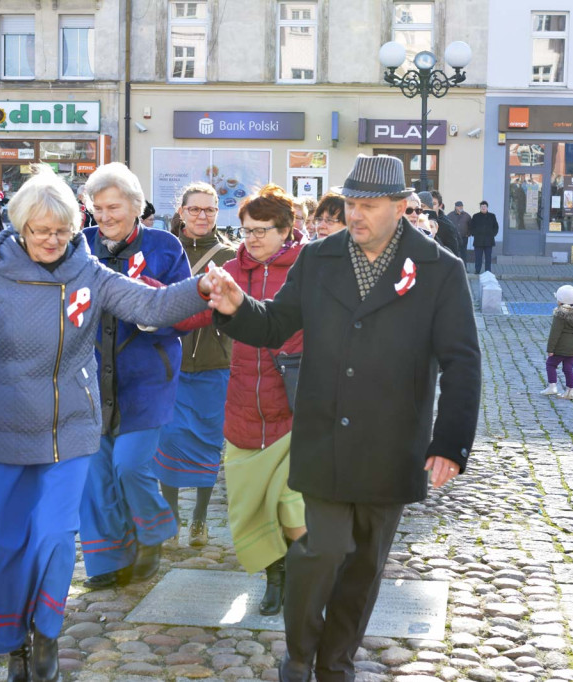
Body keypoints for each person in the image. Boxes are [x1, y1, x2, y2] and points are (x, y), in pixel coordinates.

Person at [0, 163, 211, 682]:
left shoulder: (90, 272)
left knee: (56, 536)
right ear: (20, 227)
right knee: (0, 541)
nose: (52, 240)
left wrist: (202, 289)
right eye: (41, 231)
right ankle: (12, 644)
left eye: (62, 231)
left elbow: (150, 302)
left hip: (71, 430)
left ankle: (46, 634)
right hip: (1, 431)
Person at [202, 155, 481, 682]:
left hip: (393, 442)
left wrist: (450, 442)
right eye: (351, 203)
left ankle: (337, 662)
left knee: (365, 566)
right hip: (325, 432)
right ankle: (300, 654)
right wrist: (238, 307)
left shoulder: (441, 269)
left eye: (369, 206)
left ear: (400, 208)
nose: (355, 215)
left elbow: (462, 361)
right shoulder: (319, 258)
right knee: (320, 551)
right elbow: (277, 323)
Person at [78, 163, 191, 591]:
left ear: (136, 205)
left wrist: (154, 314)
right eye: (97, 207)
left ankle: (152, 532)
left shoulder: (164, 246)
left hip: (147, 379)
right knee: (95, 470)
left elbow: (189, 310)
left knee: (129, 466)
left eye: (114, 206)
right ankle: (107, 558)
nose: (104, 216)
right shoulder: (81, 246)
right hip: (90, 380)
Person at [218, 184, 307, 616]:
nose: (251, 238)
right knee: (250, 508)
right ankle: (275, 576)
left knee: (293, 504)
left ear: (287, 229)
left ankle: (302, 577)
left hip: (293, 408)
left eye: (262, 230)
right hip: (243, 410)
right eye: (246, 230)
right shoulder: (230, 270)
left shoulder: (308, 269)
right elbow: (197, 308)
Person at [154, 183, 237, 548]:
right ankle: (171, 520)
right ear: (182, 211)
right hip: (167, 362)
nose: (203, 216)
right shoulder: (164, 250)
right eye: (195, 209)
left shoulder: (232, 255)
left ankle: (199, 521)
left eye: (210, 209)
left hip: (214, 362)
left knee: (207, 439)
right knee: (168, 440)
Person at [541, 284, 573, 400]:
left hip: (561, 347)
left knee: (551, 364)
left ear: (561, 301)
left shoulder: (560, 315)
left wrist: (550, 349)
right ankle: (570, 390)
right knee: (568, 369)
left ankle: (552, 386)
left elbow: (555, 333)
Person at [421, 190, 462, 258]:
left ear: (440, 206)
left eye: (433, 204)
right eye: (424, 205)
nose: (429, 207)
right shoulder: (416, 222)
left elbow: (455, 251)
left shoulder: (447, 226)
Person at [469, 200, 499, 274]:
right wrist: (474, 233)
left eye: (485, 206)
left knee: (488, 257)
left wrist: (493, 234)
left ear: (487, 207)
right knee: (478, 257)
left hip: (489, 240)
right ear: (480, 208)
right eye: (482, 207)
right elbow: (471, 227)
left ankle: (488, 271)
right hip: (478, 240)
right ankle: (477, 270)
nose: (483, 208)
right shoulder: (475, 216)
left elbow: (496, 227)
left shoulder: (492, 216)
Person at [447, 200, 472, 266]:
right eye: (459, 206)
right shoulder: (450, 215)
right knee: (454, 253)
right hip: (454, 238)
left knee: (464, 254)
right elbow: (447, 225)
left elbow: (471, 226)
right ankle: (455, 268)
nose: (461, 207)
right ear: (455, 207)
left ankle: (464, 268)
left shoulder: (467, 215)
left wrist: (468, 234)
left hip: (464, 238)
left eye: (461, 206)